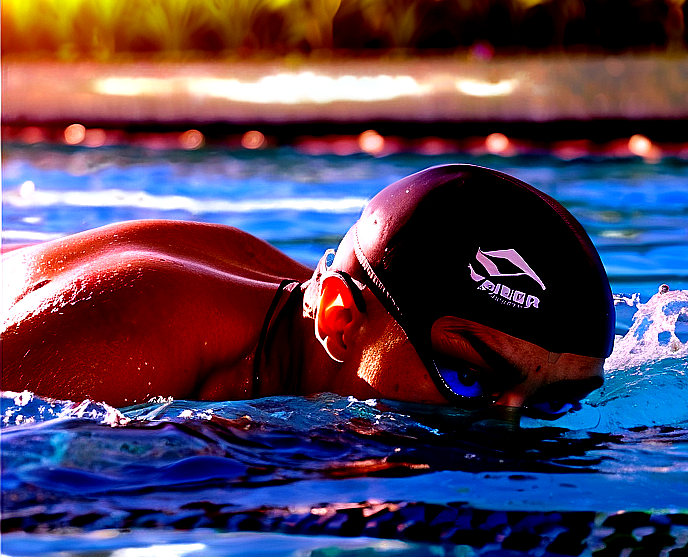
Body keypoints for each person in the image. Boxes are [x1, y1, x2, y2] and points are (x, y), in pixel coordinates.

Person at [2, 164, 615, 419]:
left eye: (549, 404)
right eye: (466, 380)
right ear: (339, 319)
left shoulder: (351, 321)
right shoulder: (126, 336)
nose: (500, 432)